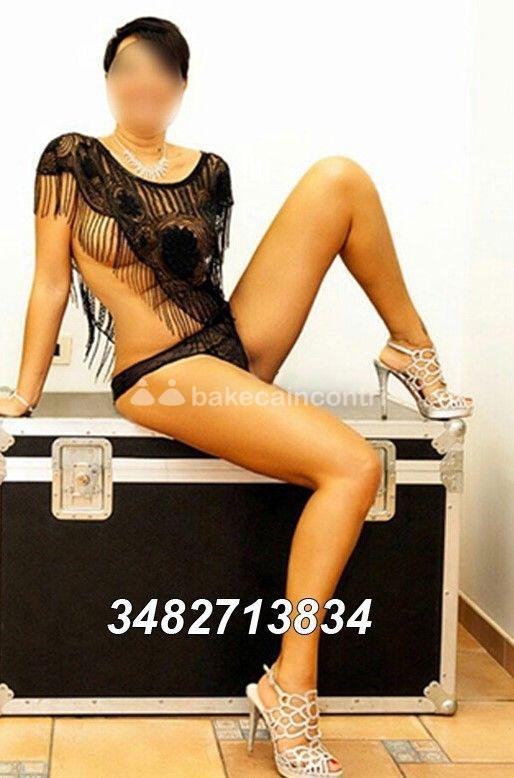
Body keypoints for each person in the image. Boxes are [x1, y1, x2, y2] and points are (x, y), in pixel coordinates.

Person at [0, 16, 474, 776]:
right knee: (355, 466)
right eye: (128, 69)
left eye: (161, 70)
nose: (144, 83)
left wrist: (238, 369)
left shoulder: (210, 170)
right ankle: (291, 685)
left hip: (226, 345)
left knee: (340, 178)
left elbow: (201, 287)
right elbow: (52, 281)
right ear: (109, 80)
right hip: (159, 374)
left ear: (181, 85)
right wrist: (24, 393)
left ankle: (409, 349)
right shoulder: (70, 159)